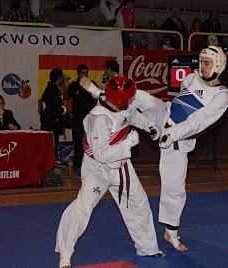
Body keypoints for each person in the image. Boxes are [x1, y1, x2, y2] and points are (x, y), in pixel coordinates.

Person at [82, 45, 228, 252]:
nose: (202, 66)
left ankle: (171, 233)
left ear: (219, 65)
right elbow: (178, 101)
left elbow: (197, 122)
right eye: (200, 61)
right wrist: (162, 123)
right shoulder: (191, 77)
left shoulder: (221, 97)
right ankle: (100, 93)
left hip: (179, 140)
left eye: (206, 62)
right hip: (164, 113)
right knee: (142, 97)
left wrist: (171, 134)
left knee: (175, 188)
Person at [55, 75, 163, 268]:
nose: (133, 99)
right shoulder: (99, 118)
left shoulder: (119, 102)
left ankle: (148, 248)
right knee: (83, 206)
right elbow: (102, 154)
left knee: (138, 203)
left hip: (121, 165)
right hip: (98, 167)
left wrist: (150, 126)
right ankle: (65, 253)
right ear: (120, 99)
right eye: (130, 97)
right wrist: (129, 143)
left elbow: (132, 115)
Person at [67, 64, 97, 172]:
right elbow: (68, 102)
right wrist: (69, 113)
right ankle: (77, 165)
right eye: (82, 73)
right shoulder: (73, 86)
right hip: (77, 120)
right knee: (78, 142)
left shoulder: (92, 85)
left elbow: (97, 101)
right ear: (78, 74)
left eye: (86, 73)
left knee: (92, 142)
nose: (84, 75)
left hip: (90, 119)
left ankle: (93, 165)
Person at [40, 68, 66, 160]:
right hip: (50, 124)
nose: (64, 78)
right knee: (52, 145)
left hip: (52, 123)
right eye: (62, 76)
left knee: (54, 145)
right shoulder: (51, 90)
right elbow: (54, 107)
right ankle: (51, 164)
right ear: (59, 78)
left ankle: (52, 163)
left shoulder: (54, 89)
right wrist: (63, 110)